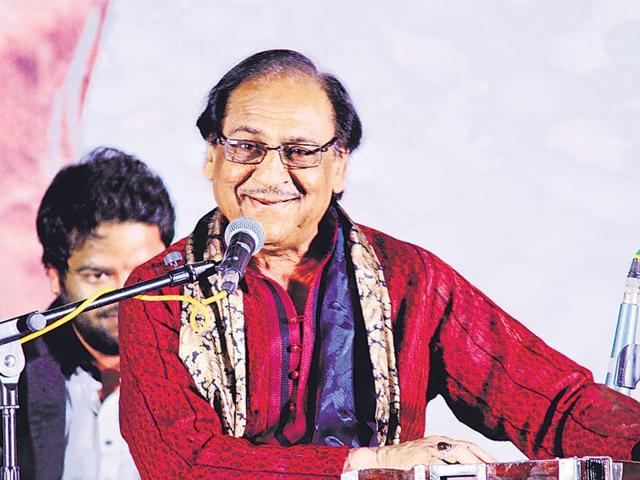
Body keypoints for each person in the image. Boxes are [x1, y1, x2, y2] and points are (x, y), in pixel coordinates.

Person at [118, 50, 640, 479]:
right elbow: (181, 464)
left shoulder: (409, 279)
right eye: (246, 147)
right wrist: (374, 464)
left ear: (339, 164)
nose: (270, 175)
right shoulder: (159, 292)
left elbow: (550, 401)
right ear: (212, 156)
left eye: (300, 152)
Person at [18, 147, 176, 480]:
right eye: (99, 275)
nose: (126, 294)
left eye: (145, 271)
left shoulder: (212, 368)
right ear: (54, 275)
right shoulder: (14, 376)